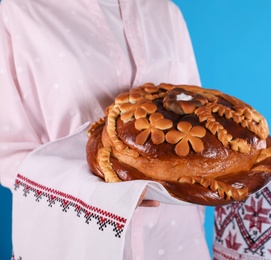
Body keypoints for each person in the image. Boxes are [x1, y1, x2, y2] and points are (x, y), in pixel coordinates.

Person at [0, 0, 210, 259]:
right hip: (76, 239)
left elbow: (196, 119)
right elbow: (7, 151)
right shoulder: (17, 12)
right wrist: (101, 192)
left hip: (174, 239)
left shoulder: (165, 12)